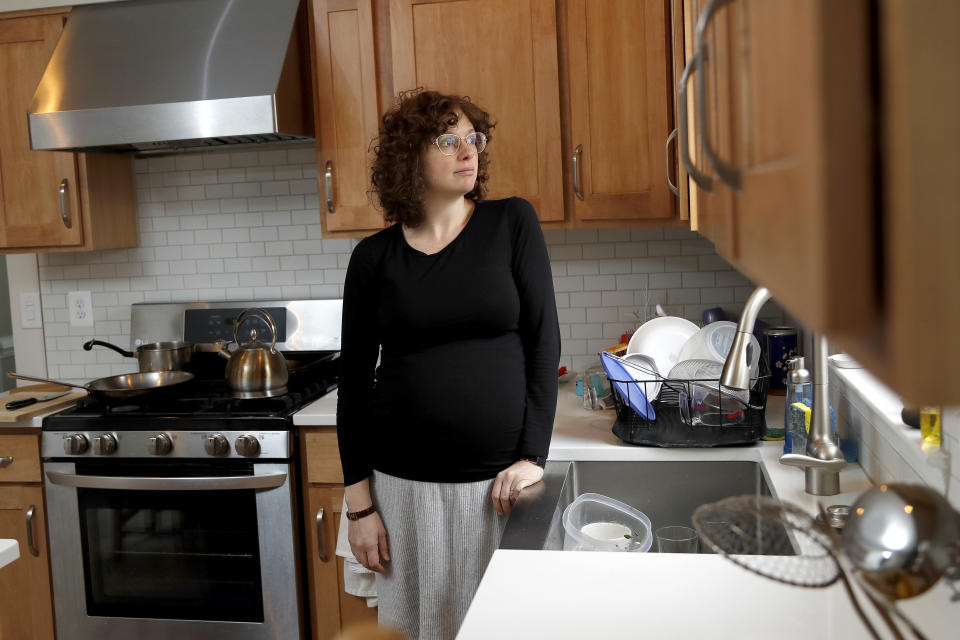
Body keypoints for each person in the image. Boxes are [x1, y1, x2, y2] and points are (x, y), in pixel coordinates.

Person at [336, 88, 560, 639]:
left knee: (500, 629)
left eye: (473, 138)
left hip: (497, 490)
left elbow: (543, 341)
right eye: (447, 140)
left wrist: (534, 453)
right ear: (409, 156)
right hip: (400, 490)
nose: (468, 151)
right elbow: (354, 383)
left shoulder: (511, 223)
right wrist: (360, 507)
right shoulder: (373, 258)